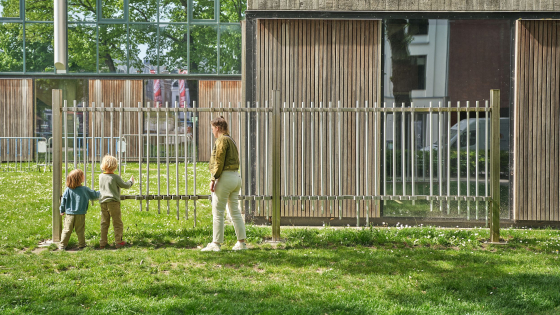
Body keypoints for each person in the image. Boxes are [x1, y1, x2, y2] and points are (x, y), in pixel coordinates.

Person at [201, 116, 247, 251]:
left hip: (225, 178)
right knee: (235, 212)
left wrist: (213, 178)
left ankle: (216, 244)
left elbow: (219, 161)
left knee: (218, 211)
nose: (212, 132)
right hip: (236, 178)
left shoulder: (221, 140)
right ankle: (241, 243)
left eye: (212, 129)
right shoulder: (231, 140)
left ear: (217, 128)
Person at [59, 169, 100, 250]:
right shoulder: (85, 189)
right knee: (80, 230)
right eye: (82, 175)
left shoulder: (68, 189)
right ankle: (82, 245)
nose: (84, 176)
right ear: (79, 178)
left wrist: (62, 210)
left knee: (67, 229)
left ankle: (62, 245)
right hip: (80, 213)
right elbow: (94, 195)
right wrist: (102, 191)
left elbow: (63, 200)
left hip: (69, 214)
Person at [98, 155, 134, 249]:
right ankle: (118, 241)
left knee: (104, 223)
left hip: (103, 202)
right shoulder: (115, 177)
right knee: (117, 222)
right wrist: (131, 182)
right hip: (113, 203)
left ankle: (102, 242)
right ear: (115, 166)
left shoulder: (101, 176)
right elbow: (125, 185)